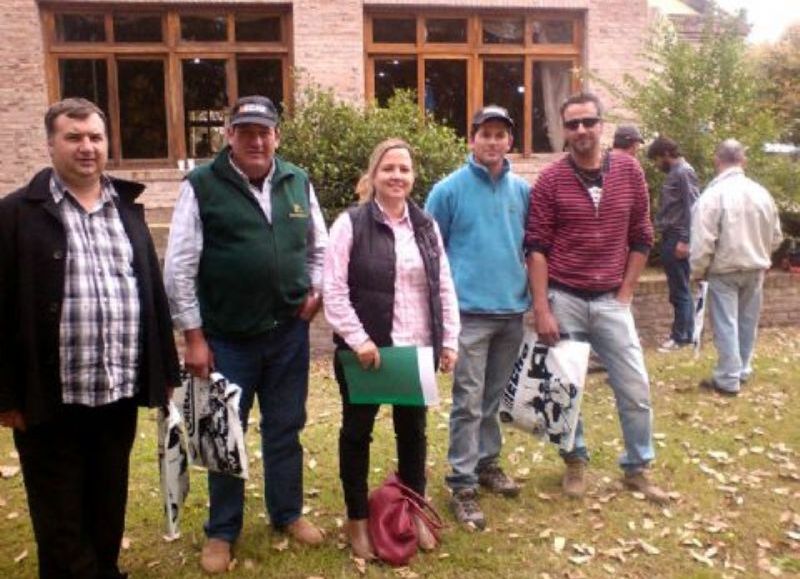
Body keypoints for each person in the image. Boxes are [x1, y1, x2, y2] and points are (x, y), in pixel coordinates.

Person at [0, 97, 180, 578]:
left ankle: (105, 567)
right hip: (48, 396)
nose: (87, 147)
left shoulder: (127, 210)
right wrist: (6, 393)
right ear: (51, 144)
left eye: (95, 137)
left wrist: (163, 370)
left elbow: (152, 295)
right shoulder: (15, 214)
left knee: (107, 500)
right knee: (59, 514)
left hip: (115, 390)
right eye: (74, 137)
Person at [163, 95, 329, 573]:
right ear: (229, 136)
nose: (257, 140)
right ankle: (222, 531)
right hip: (226, 339)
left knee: (285, 427)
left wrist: (314, 294)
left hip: (286, 336)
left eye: (265, 131)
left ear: (276, 135)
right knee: (223, 435)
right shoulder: (202, 185)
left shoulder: (297, 181)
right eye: (246, 131)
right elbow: (179, 267)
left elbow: (319, 247)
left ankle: (287, 513)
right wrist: (193, 337)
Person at [525, 92, 668, 504]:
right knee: (566, 388)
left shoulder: (629, 171)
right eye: (573, 124)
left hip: (610, 300)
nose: (581, 130)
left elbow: (642, 235)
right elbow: (536, 247)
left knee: (635, 385)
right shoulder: (551, 180)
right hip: (564, 297)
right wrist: (542, 307)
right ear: (564, 131)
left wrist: (625, 292)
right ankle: (575, 461)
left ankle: (637, 466)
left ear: (601, 125)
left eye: (588, 122)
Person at [323, 138, 460, 559]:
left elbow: (443, 286)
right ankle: (358, 519)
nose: (397, 175)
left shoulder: (426, 226)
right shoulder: (350, 224)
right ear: (374, 175)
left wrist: (449, 340)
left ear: (413, 176)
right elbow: (333, 290)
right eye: (388, 168)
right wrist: (359, 340)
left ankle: (412, 509)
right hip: (367, 354)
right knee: (356, 433)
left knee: (413, 434)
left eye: (404, 168)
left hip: (414, 352)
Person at [425, 105, 531, 530]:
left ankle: (487, 463)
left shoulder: (522, 190)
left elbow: (530, 246)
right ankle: (461, 482)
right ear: (471, 139)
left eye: (500, 134)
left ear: (509, 141)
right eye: (484, 134)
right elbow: (431, 252)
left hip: (511, 311)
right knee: (467, 401)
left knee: (492, 398)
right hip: (468, 315)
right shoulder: (448, 190)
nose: (492, 141)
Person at [690, 139, 783, 396]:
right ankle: (742, 370)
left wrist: (697, 271)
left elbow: (702, 240)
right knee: (747, 322)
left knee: (726, 323)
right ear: (743, 160)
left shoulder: (713, 196)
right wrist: (763, 254)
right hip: (756, 267)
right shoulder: (762, 194)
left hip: (725, 269)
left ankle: (729, 378)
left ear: (717, 161)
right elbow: (776, 236)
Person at [647, 136, 700, 352]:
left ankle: (680, 337)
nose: (657, 164)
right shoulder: (675, 173)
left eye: (658, 159)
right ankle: (685, 334)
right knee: (678, 288)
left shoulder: (683, 172)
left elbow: (693, 207)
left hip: (677, 238)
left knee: (679, 289)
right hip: (671, 236)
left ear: (667, 154)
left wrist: (685, 240)